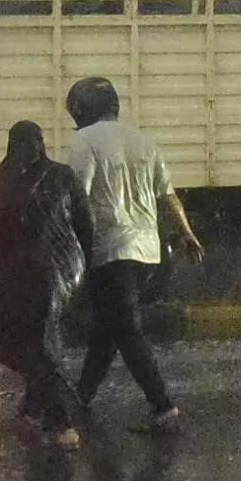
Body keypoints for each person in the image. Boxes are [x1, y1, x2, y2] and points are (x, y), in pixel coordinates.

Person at [65, 76, 204, 433]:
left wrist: (68, 244)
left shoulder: (85, 141)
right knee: (107, 329)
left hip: (109, 249)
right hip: (146, 252)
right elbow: (167, 194)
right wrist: (186, 232)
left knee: (125, 330)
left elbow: (79, 198)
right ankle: (78, 399)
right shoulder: (145, 141)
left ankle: (163, 407)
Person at [0, 121, 96, 446]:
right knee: (41, 333)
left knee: (24, 343)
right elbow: (87, 224)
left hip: (24, 272)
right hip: (68, 270)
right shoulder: (63, 175)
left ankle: (60, 420)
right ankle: (34, 403)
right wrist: (85, 269)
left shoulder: (2, 181)